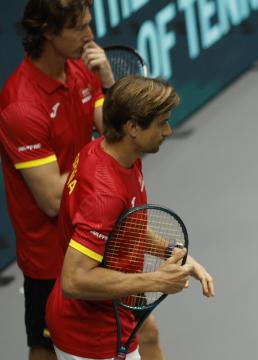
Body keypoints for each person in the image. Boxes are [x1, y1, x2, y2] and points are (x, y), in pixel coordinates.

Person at [45, 75, 215, 359]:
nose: (168, 130)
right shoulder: (104, 195)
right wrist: (157, 281)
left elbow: (123, 229)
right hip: (90, 339)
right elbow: (74, 280)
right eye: (161, 123)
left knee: (151, 334)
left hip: (114, 316)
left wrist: (174, 253)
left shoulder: (111, 153)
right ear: (132, 127)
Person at [0, 1, 113, 359]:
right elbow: (51, 199)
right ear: (48, 33)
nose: (90, 35)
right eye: (79, 27)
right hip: (51, 258)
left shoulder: (82, 70)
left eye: (89, 24)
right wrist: (100, 165)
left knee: (143, 333)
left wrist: (109, 83)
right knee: (44, 347)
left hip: (93, 233)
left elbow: (116, 133)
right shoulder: (22, 107)